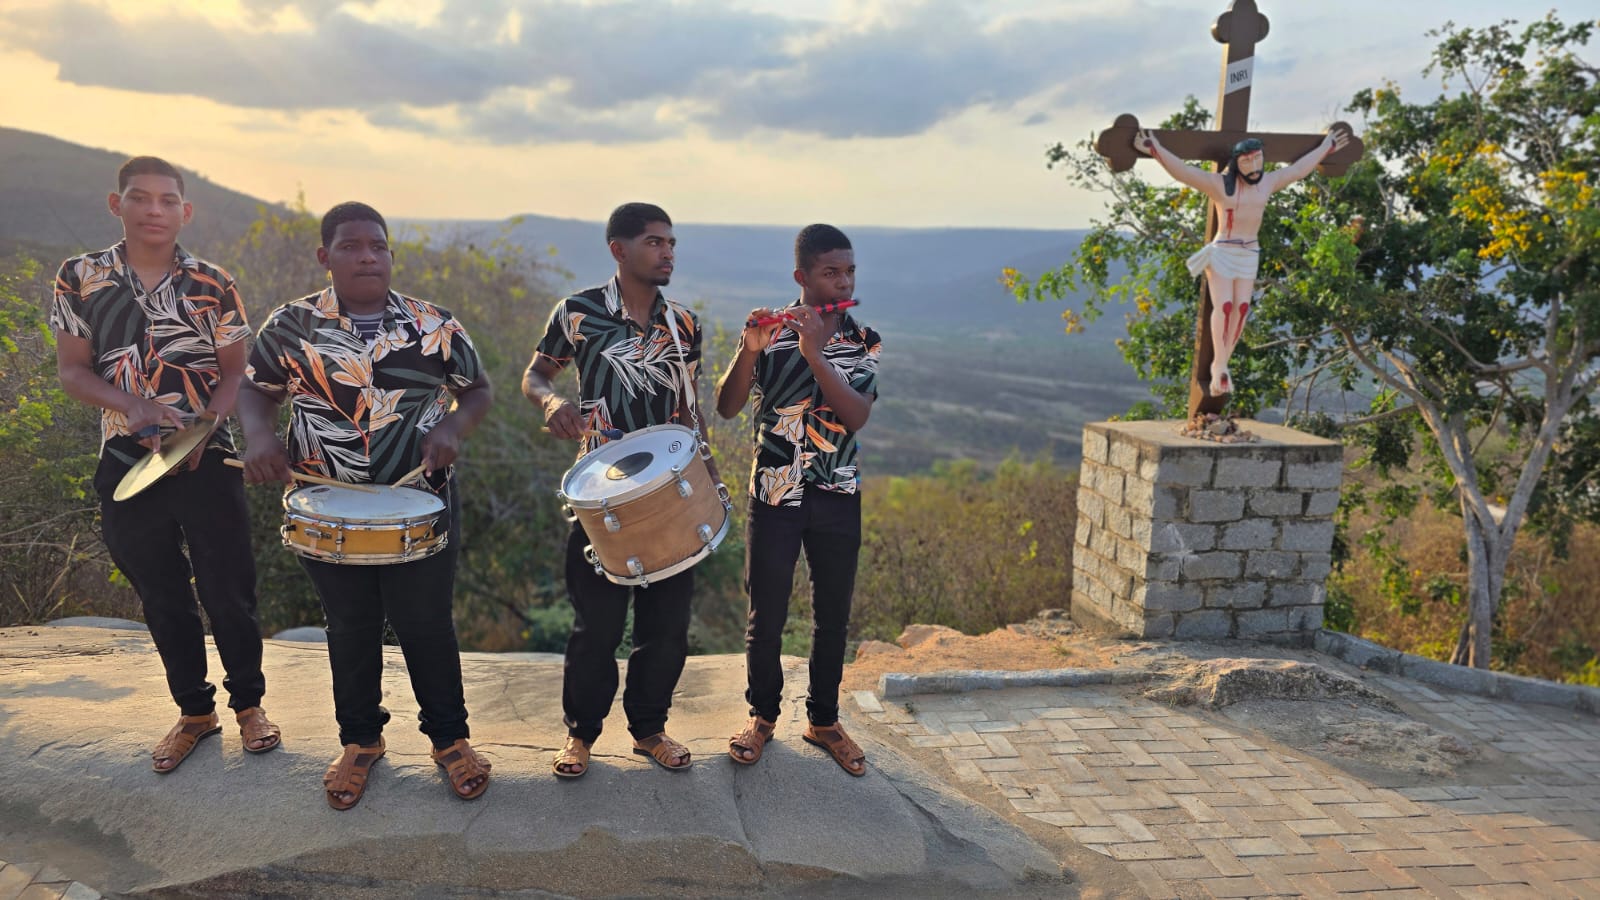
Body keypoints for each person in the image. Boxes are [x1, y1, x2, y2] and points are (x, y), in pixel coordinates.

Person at [238, 201, 492, 809]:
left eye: (377, 246)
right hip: (328, 506)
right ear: (324, 257)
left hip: (420, 499)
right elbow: (254, 389)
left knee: (425, 623)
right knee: (349, 625)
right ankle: (360, 741)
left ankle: (450, 740)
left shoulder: (433, 325)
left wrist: (453, 428)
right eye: (350, 246)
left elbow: (477, 390)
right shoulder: (292, 324)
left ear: (390, 255)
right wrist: (260, 436)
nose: (367, 257)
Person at [51, 156, 279, 774]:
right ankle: (195, 713)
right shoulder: (80, 277)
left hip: (207, 455)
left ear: (186, 211)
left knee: (229, 590)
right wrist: (133, 405)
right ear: (116, 204)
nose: (154, 210)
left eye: (167, 200)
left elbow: (236, 374)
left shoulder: (213, 282)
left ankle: (250, 706)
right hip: (127, 457)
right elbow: (72, 371)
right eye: (140, 197)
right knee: (162, 593)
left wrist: (204, 428)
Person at [523, 202, 720, 778]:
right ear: (619, 249)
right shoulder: (578, 312)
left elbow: (689, 407)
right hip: (601, 494)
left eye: (671, 243)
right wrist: (551, 402)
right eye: (655, 242)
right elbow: (536, 375)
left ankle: (649, 730)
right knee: (598, 627)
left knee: (667, 628)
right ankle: (581, 735)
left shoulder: (684, 324)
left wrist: (708, 473)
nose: (668, 253)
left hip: (670, 496)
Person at [715, 224, 882, 776]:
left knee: (833, 614)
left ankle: (824, 720)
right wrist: (748, 350)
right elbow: (728, 407)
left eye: (849, 271)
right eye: (831, 272)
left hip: (838, 490)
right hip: (774, 489)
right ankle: (762, 717)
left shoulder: (864, 339)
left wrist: (814, 354)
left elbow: (855, 415)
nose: (844, 282)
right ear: (802, 277)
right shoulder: (772, 332)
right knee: (765, 614)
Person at [1135, 126, 1349, 395]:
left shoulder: (1267, 183)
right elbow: (1185, 172)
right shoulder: (1219, 185)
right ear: (1237, 163)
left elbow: (1297, 170)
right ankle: (1219, 367)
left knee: (1242, 308)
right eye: (1247, 161)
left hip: (1249, 252)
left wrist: (1327, 147)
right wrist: (1155, 149)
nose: (1254, 166)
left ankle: (1222, 365)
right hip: (1223, 251)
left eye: (1258, 159)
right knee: (1225, 306)